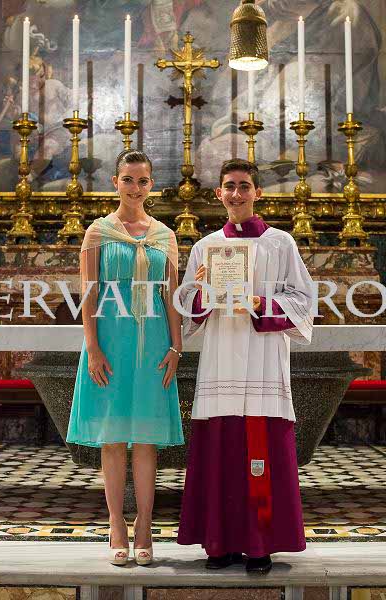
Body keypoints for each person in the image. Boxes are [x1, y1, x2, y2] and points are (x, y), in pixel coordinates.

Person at [177, 158, 313, 574]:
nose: (236, 194)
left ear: (257, 192)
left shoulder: (280, 243)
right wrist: (202, 292)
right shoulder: (205, 247)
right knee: (220, 449)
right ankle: (218, 542)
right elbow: (187, 308)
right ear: (219, 193)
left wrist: (259, 302)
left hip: (263, 359)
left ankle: (259, 544)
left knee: (261, 449)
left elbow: (303, 300)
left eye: (244, 186)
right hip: (220, 359)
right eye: (229, 186)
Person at [67, 149, 184, 566]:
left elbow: (171, 296)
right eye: (128, 179)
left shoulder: (165, 236)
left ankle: (145, 524)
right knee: (113, 439)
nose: (135, 187)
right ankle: (116, 523)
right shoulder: (97, 232)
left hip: (153, 345)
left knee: (147, 441)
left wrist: (176, 346)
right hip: (110, 344)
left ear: (152, 185)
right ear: (115, 182)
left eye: (143, 180)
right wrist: (93, 347)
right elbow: (90, 292)